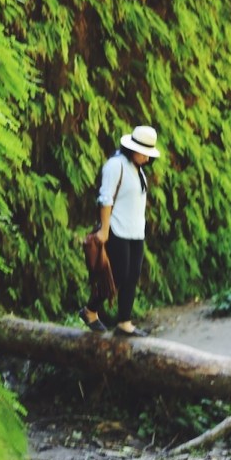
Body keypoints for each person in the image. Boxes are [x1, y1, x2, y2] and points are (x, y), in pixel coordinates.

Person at [79, 123, 160, 337]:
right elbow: (105, 198)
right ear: (132, 148)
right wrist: (104, 230)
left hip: (136, 232)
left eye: (149, 154)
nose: (147, 157)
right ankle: (90, 310)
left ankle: (124, 322)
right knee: (116, 276)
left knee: (132, 276)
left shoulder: (138, 170)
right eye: (143, 152)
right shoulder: (116, 165)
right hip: (116, 229)